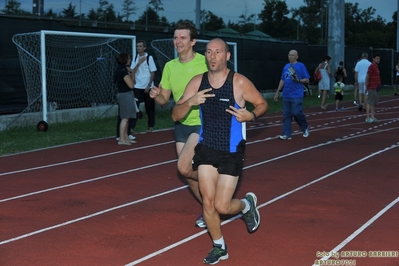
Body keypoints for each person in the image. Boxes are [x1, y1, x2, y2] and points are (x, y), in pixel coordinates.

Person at [172, 38, 267, 265]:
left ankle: (246, 205)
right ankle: (219, 246)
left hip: (232, 151)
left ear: (227, 56)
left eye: (218, 52)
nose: (213, 56)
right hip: (207, 149)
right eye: (209, 52)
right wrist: (191, 101)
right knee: (208, 202)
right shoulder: (197, 82)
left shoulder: (240, 82)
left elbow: (262, 104)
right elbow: (176, 115)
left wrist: (251, 115)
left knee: (222, 206)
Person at [149, 21, 208, 228]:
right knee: (187, 174)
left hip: (204, 123)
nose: (178, 42)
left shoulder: (206, 63)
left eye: (183, 38)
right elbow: (165, 100)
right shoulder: (169, 67)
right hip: (181, 123)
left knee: (185, 166)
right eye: (175, 38)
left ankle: (215, 201)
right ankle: (210, 208)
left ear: (193, 41)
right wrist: (156, 96)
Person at [274, 50, 310, 140]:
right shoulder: (286, 66)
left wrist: (299, 80)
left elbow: (307, 79)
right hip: (286, 94)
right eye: (289, 55)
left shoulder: (301, 66)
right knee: (286, 115)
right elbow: (282, 79)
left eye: (293, 55)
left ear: (297, 56)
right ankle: (287, 134)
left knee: (296, 112)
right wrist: (278, 91)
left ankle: (304, 126)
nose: (291, 57)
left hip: (297, 94)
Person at [130, 40, 157, 132]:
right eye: (137, 46)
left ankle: (150, 126)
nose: (138, 48)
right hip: (137, 86)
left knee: (149, 106)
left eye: (140, 46)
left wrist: (149, 85)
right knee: (134, 107)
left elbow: (153, 72)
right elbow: (132, 71)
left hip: (147, 86)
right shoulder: (135, 58)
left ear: (144, 48)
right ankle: (131, 127)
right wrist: (139, 63)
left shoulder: (149, 58)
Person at [114, 53, 136, 145]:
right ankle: (122, 139)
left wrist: (132, 73)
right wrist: (133, 73)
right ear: (125, 60)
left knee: (128, 117)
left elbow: (133, 82)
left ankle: (126, 137)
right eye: (129, 58)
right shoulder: (122, 71)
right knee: (125, 117)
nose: (130, 60)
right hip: (125, 95)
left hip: (126, 94)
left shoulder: (123, 70)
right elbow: (131, 85)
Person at [365, 53, 381, 123]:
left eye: (379, 59)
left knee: (374, 103)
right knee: (369, 102)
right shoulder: (371, 66)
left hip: (376, 87)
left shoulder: (376, 66)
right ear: (373, 59)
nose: (378, 60)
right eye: (377, 58)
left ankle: (372, 116)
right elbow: (368, 76)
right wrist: (367, 84)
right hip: (372, 86)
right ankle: (368, 117)